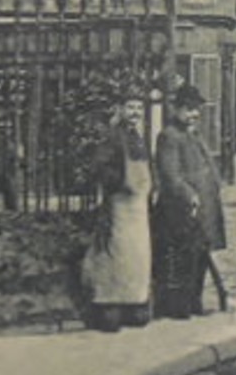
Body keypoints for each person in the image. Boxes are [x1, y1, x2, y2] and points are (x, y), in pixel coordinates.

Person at [79, 90, 154, 332]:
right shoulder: (113, 136)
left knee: (138, 257)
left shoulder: (138, 137)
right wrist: (119, 183)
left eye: (139, 109)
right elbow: (98, 167)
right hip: (120, 207)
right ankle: (110, 306)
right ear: (120, 110)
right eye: (130, 107)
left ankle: (134, 304)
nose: (135, 113)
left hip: (139, 208)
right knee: (117, 256)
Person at [152, 85, 226, 319]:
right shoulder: (169, 137)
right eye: (189, 109)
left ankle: (195, 301)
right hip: (182, 210)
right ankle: (178, 305)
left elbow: (207, 163)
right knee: (184, 258)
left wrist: (215, 184)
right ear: (176, 109)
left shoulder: (193, 135)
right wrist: (189, 196)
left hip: (204, 207)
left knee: (201, 255)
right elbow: (170, 175)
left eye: (196, 110)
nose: (194, 114)